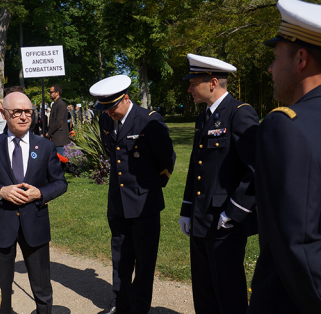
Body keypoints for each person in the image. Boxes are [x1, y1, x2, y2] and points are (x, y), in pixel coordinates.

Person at [248, 0, 321, 313]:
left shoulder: (285, 126)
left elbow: (299, 245)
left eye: (276, 58)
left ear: (300, 58)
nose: (270, 69)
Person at [179, 54, 259, 314]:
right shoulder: (203, 118)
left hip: (225, 222)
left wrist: (234, 212)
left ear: (212, 83)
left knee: (229, 294)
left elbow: (256, 169)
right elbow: (196, 166)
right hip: (201, 217)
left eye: (194, 82)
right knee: (204, 292)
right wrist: (186, 209)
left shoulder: (239, 113)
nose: (189, 88)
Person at [0, 92, 68, 314]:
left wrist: (41, 193)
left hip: (34, 225)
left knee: (42, 287)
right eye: (17, 112)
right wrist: (0, 191)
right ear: (5, 114)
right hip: (0, 225)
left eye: (28, 111)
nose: (24, 117)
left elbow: (60, 183)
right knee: (0, 288)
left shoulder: (44, 146)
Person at [90, 75, 176, 314]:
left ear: (126, 98)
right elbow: (113, 155)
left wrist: (147, 187)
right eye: (104, 109)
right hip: (118, 203)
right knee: (120, 256)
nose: (108, 113)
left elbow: (167, 160)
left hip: (144, 202)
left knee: (144, 259)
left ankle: (139, 307)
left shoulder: (148, 121)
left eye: (112, 107)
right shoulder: (106, 120)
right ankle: (120, 302)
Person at [46, 85, 70, 155]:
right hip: (55, 136)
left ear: (57, 93)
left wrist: (49, 133)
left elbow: (59, 121)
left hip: (59, 137)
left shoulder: (61, 104)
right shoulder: (55, 104)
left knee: (59, 159)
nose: (49, 94)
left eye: (51, 92)